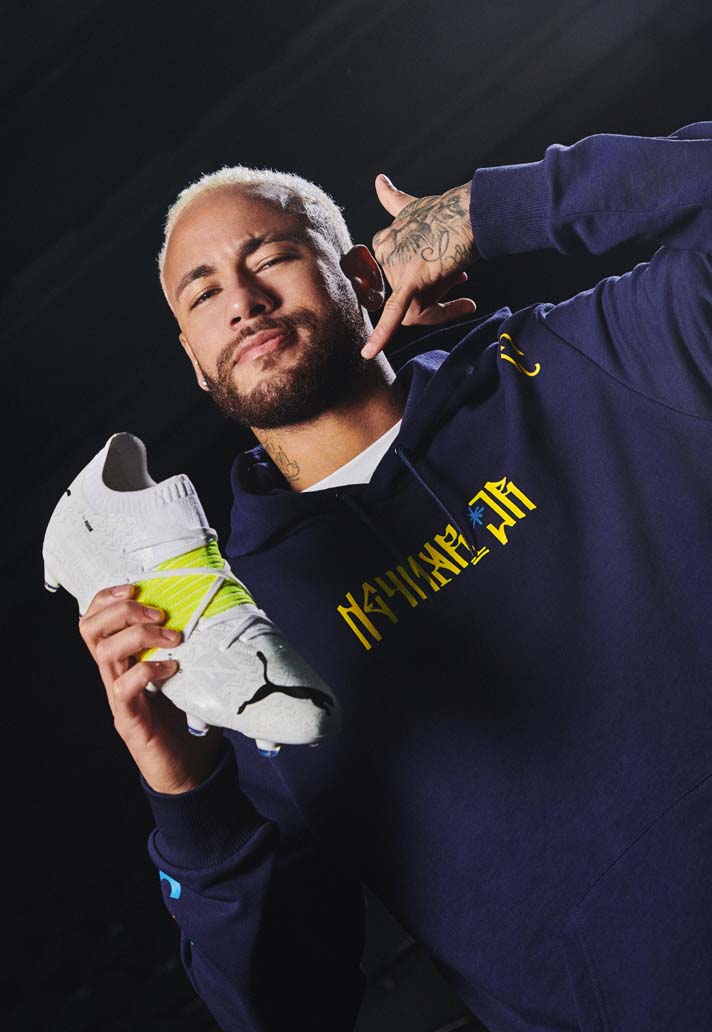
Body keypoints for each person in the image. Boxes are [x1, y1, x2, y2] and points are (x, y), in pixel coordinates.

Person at [78, 121, 712, 1032]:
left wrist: (495, 209)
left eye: (272, 257)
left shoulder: (583, 362)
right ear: (193, 358)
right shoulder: (234, 636)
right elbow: (290, 1010)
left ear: (364, 274)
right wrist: (189, 800)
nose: (243, 302)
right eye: (204, 292)